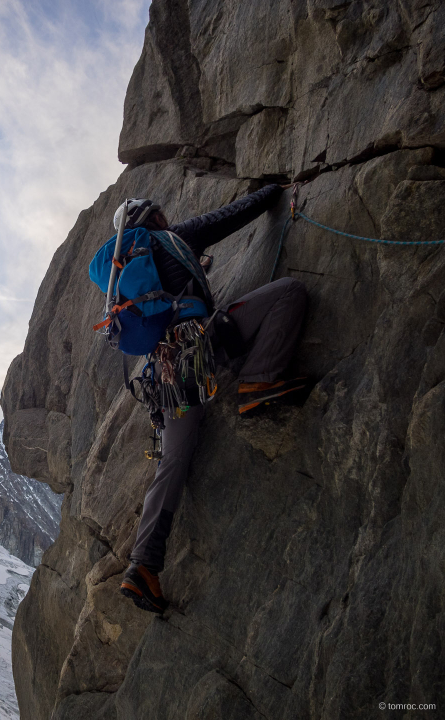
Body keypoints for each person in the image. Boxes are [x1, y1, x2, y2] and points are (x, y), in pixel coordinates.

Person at [109, 184, 308, 614]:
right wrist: (275, 189)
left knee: (173, 463)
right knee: (288, 291)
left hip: (166, 377)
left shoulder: (125, 279)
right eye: (160, 213)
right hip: (205, 347)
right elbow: (231, 216)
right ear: (154, 218)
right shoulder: (175, 237)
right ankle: (258, 381)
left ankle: (142, 567)